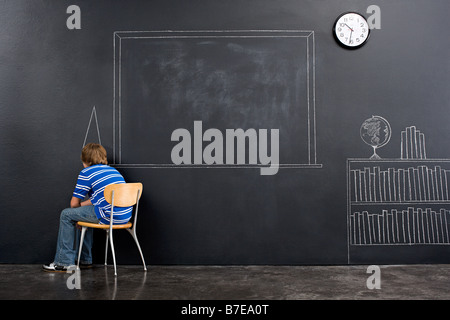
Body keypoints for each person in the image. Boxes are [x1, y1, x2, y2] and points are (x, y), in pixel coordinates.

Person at [43, 143, 132, 272]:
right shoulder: (113, 171)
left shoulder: (87, 172)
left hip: (107, 216)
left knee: (66, 214)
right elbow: (100, 200)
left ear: (87, 160)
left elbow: (74, 204)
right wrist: (80, 212)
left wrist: (76, 212)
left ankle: (63, 262)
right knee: (84, 215)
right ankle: (85, 260)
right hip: (124, 216)